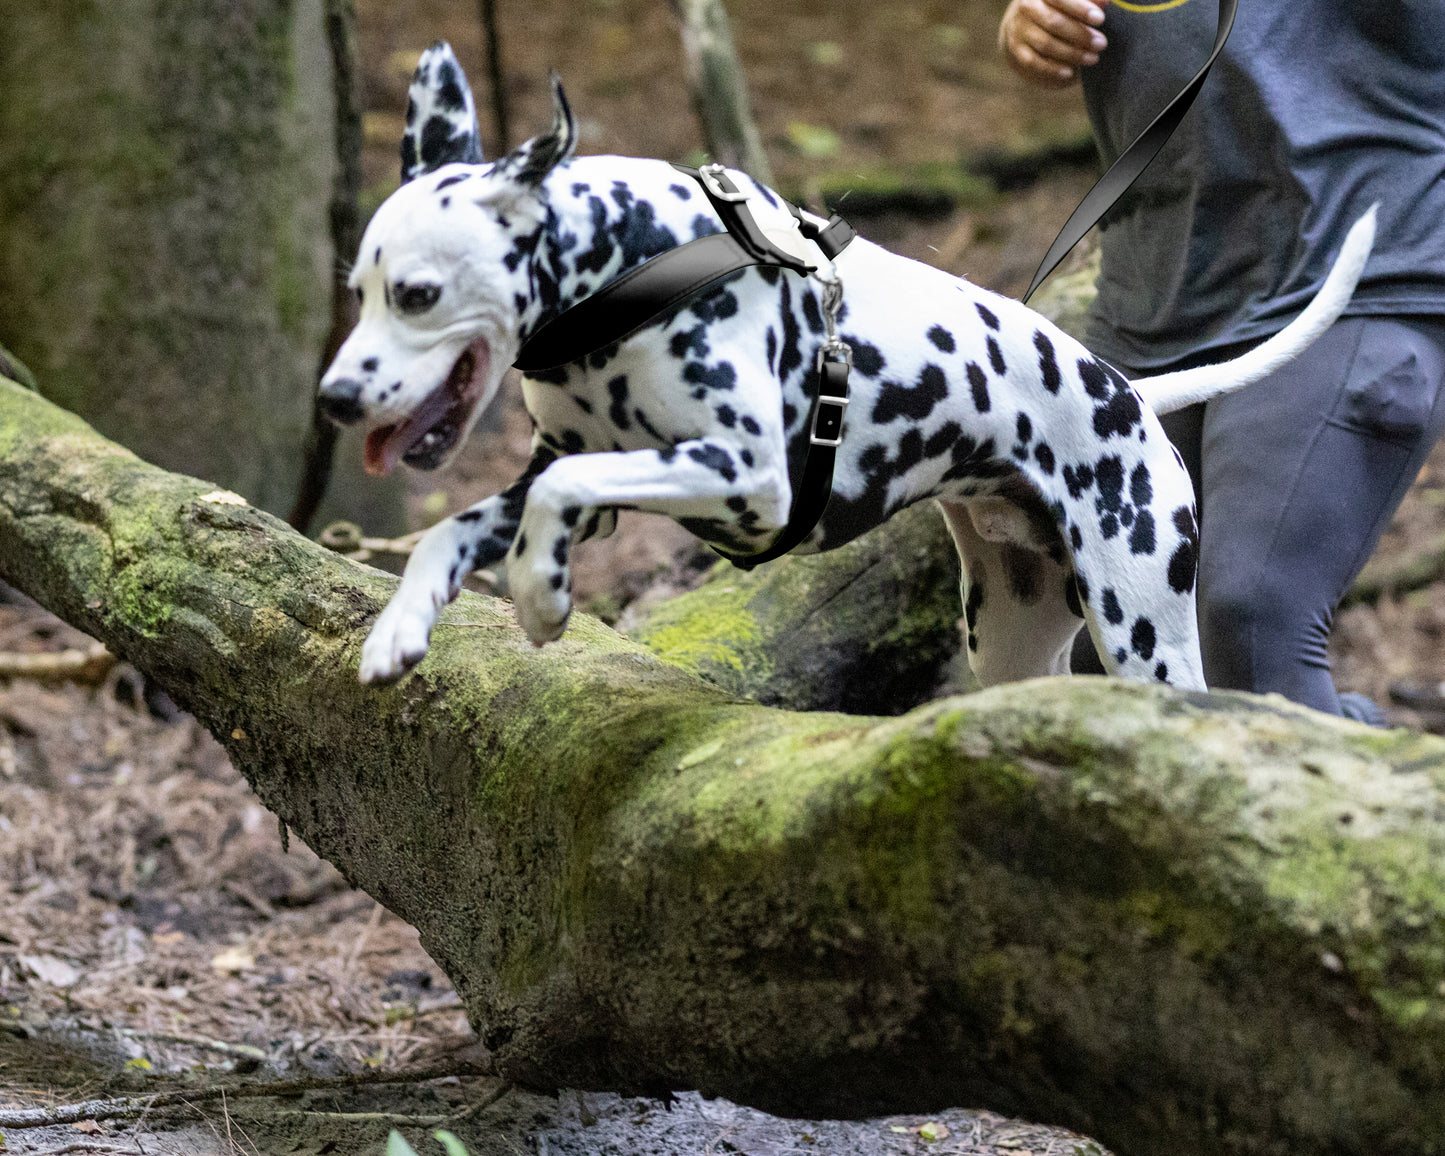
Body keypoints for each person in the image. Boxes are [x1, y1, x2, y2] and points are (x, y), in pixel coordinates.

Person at [997, 0, 1445, 722]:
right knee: (1095, 659)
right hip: (1151, 292)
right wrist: (1030, 24)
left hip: (1355, 267)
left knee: (1250, 623)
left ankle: (1386, 811)